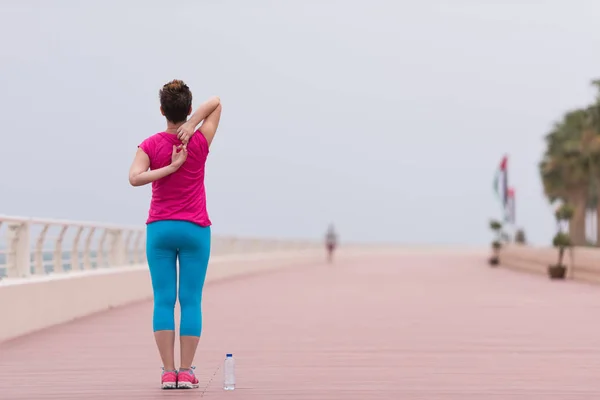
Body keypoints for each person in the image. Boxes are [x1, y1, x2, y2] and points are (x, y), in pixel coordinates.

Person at [128, 79, 222, 389]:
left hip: (161, 229)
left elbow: (135, 178)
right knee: (191, 300)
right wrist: (193, 125)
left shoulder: (150, 144)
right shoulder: (199, 142)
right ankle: (187, 371)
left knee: (164, 300)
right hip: (195, 228)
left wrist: (167, 169)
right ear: (190, 108)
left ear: (161, 110)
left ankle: (168, 372)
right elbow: (217, 102)